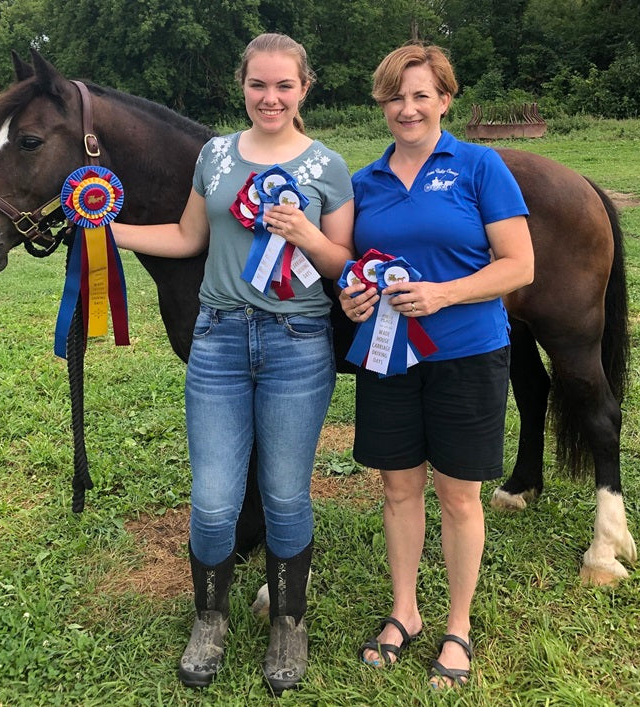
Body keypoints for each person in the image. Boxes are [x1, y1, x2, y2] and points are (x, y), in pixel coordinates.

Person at [109, 33, 355, 694]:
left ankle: (288, 621)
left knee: (282, 494)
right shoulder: (214, 156)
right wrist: (105, 228)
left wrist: (305, 235)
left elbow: (342, 262)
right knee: (214, 500)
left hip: (297, 344)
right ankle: (210, 619)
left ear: (304, 88)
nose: (269, 97)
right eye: (257, 85)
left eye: (283, 85)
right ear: (241, 87)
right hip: (217, 341)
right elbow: (188, 236)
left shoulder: (327, 166)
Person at [340, 42, 533, 689]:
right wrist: (351, 294)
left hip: (467, 355)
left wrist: (444, 293)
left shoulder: (479, 166)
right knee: (396, 489)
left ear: (444, 99)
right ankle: (404, 612)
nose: (407, 106)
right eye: (395, 95)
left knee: (458, 496)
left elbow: (518, 265)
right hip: (387, 357)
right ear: (381, 102)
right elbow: (352, 268)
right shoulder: (363, 182)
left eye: (420, 94)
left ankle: (457, 625)